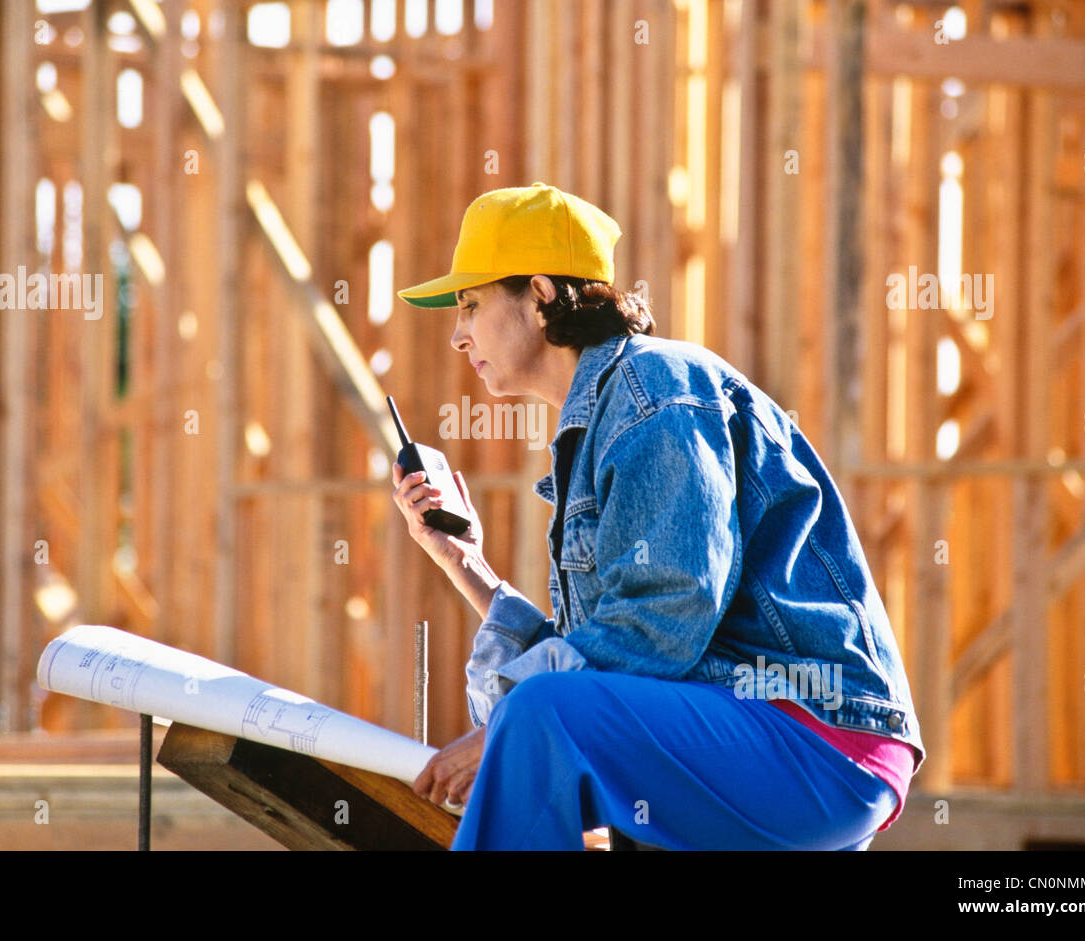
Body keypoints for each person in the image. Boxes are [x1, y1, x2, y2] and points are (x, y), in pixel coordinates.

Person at [390, 182, 924, 850]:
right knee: (540, 719)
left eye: (470, 304)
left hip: (816, 732)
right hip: (754, 731)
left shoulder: (654, 392)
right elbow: (614, 657)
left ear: (540, 294)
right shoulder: (602, 419)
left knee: (535, 717)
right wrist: (466, 565)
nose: (457, 334)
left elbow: (668, 609)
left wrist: (504, 730)